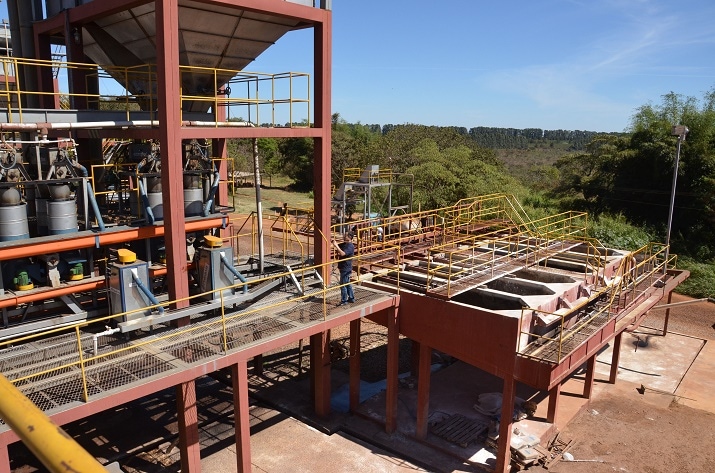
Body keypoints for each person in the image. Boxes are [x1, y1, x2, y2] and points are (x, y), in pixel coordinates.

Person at [331, 232, 355, 305]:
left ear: (349, 237)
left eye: (345, 235)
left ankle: (344, 300)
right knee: (347, 283)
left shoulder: (350, 246)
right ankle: (351, 298)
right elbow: (337, 246)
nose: (344, 236)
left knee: (343, 284)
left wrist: (336, 245)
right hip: (344, 267)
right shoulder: (345, 244)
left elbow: (342, 253)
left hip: (346, 268)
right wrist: (333, 243)